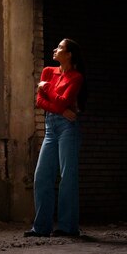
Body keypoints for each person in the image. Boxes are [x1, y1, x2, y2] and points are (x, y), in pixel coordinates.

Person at [24, 38, 88, 237]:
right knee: (42, 176)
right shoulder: (48, 72)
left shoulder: (76, 77)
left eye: (60, 47)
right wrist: (61, 111)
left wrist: (46, 87)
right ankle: (41, 227)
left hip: (69, 129)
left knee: (67, 177)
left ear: (69, 54)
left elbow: (64, 100)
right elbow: (40, 102)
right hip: (52, 127)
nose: (55, 49)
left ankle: (68, 227)